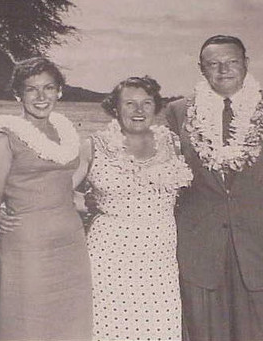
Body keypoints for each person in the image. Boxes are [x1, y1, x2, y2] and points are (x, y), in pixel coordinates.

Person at [166, 35, 263, 341]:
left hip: (262, 245)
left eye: (232, 61)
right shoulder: (178, 111)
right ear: (201, 68)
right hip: (200, 247)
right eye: (213, 64)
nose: (223, 70)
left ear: (246, 63)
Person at [0, 57, 93, 340]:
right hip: (27, 251)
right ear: (17, 94)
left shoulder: (66, 131)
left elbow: (61, 184)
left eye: (49, 88)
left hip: (72, 248)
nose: (41, 97)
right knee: (25, 327)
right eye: (31, 89)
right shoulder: (3, 138)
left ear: (60, 90)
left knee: (71, 329)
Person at [73, 76, 193, 340]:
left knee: (159, 327)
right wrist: (86, 205)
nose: (139, 111)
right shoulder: (93, 145)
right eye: (129, 103)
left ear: (156, 107)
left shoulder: (173, 143)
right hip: (110, 253)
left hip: (159, 255)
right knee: (110, 328)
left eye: (146, 103)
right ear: (115, 108)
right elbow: (62, 191)